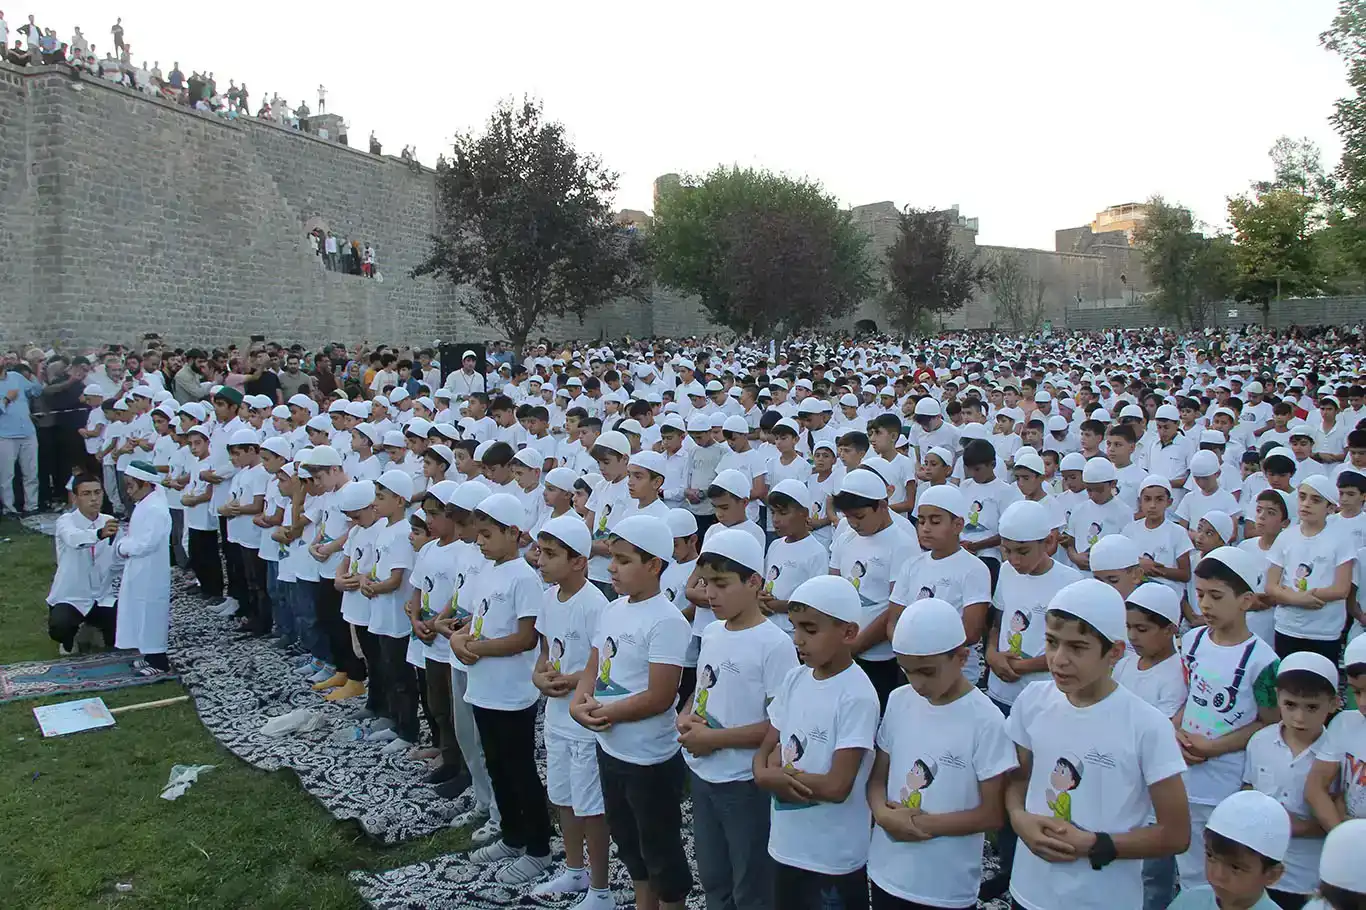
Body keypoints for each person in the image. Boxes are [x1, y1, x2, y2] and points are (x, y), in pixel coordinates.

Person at [1005, 579, 1191, 910]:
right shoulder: (1032, 701)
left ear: (1115, 652)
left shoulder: (1146, 726)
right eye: (1051, 642)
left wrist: (1095, 844)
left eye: (1077, 648)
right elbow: (1018, 778)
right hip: (1029, 892)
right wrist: (1019, 819)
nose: (1059, 659)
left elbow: (1176, 833)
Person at [570, 515, 693, 910]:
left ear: (654, 565)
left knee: (660, 845)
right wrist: (579, 702)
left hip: (648, 757)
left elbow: (660, 695)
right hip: (611, 747)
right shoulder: (613, 609)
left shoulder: (667, 620)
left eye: (623, 560)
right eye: (612, 558)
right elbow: (595, 663)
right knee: (627, 837)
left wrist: (607, 713)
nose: (612, 567)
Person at [868, 598, 1017, 910]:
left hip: (944, 886)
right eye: (907, 671)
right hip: (886, 871)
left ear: (961, 657)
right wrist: (882, 814)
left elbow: (992, 814)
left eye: (927, 672)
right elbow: (877, 777)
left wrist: (921, 825)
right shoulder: (899, 700)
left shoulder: (986, 719)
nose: (917, 683)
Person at [685, 529, 798, 910]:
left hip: (743, 782)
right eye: (705, 583)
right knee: (713, 878)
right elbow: (702, 690)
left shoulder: (775, 644)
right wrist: (685, 717)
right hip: (703, 774)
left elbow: (779, 726)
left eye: (721, 584)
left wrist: (713, 740)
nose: (710, 594)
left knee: (751, 883)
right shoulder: (714, 631)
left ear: (754, 582)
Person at [754, 575, 879, 910]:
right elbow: (768, 747)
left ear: (849, 633)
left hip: (832, 857)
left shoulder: (857, 695)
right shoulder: (795, 678)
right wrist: (763, 773)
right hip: (786, 845)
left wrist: (776, 777)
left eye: (810, 630)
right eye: (794, 627)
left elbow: (839, 785)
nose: (798, 640)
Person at [455, 493, 554, 885]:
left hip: (512, 693)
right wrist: (460, 638)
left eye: (487, 534)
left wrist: (473, 647)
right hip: (483, 687)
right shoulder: (487, 570)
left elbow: (525, 639)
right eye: (477, 535)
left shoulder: (524, 577)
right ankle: (512, 835)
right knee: (496, 763)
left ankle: (539, 848)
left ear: (513, 533)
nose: (479, 542)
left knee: (520, 769)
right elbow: (477, 621)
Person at [1176, 546, 1282, 892]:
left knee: (1215, 864)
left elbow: (1269, 722)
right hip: (1183, 771)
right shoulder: (1191, 641)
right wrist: (1176, 730)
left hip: (1225, 780)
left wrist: (1214, 747)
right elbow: (1187, 698)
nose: (1205, 605)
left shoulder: (1263, 661)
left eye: (1216, 596)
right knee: (1184, 864)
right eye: (1200, 594)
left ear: (1246, 600)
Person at [530, 515, 613, 908]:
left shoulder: (596, 605)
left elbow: (604, 666)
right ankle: (574, 870)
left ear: (579, 561)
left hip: (584, 720)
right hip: (556, 715)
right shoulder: (548, 599)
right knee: (562, 795)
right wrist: (541, 675)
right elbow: (547, 652)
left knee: (590, 804)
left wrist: (574, 681)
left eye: (550, 554)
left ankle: (601, 888)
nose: (540, 561)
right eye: (540, 552)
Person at [1242, 651, 1339, 909]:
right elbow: (1247, 789)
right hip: (1261, 878)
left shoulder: (1337, 755)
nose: (1299, 717)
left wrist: (1300, 826)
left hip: (1311, 879)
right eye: (1290, 705)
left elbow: (1340, 819)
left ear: (1333, 704)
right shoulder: (1260, 741)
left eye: (1312, 707)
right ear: (1278, 698)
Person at [828, 467, 919, 709]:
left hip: (879, 656)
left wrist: (858, 645)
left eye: (859, 516)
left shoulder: (902, 544)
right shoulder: (845, 536)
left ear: (881, 506)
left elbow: (895, 608)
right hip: (842, 648)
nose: (854, 523)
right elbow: (834, 588)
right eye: (848, 517)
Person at [888, 483, 992, 684]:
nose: (925, 528)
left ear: (958, 525)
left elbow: (970, 632)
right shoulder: (911, 565)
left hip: (952, 674)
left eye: (935, 522)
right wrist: (907, 651)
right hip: (911, 667)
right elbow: (894, 620)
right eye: (921, 521)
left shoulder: (974, 569)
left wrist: (927, 654)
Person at [1266, 476, 1355, 663]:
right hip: (1287, 626)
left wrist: (1308, 595)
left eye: (1316, 500)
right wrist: (1296, 598)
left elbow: (1341, 589)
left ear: (1330, 508)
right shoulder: (1285, 537)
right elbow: (1271, 586)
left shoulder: (1342, 540)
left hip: (1324, 631)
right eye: (1302, 497)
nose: (1306, 504)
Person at [1167, 790, 1291, 910]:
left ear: (1272, 874)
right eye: (1210, 856)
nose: (1218, 875)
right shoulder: (1188, 903)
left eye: (1235, 867)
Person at [46, 473, 119, 655]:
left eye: (97, 492)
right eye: (86, 494)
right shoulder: (65, 521)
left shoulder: (108, 520)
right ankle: (69, 637)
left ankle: (93, 628)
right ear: (75, 498)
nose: (93, 498)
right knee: (60, 627)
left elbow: (119, 557)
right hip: (71, 596)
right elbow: (74, 539)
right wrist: (98, 534)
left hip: (102, 596)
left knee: (123, 631)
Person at [114, 461, 174, 676]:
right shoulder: (145, 504)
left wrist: (123, 546)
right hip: (139, 567)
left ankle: (158, 661)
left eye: (132, 486)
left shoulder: (156, 509)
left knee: (151, 614)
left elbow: (146, 542)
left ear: (146, 484)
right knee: (139, 611)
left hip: (150, 569)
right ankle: (148, 655)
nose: (129, 492)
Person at [1305, 635, 1366, 832]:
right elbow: (1315, 789)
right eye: (1356, 692)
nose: (1363, 703)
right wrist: (1341, 835)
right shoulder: (1345, 723)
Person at [0, 355, 42, 515]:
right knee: (6, 475)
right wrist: (6, 399)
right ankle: (8, 508)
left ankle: (32, 506)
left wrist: (33, 370)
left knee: (31, 472)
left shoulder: (16, 377)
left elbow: (36, 391)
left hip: (27, 432)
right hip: (5, 435)